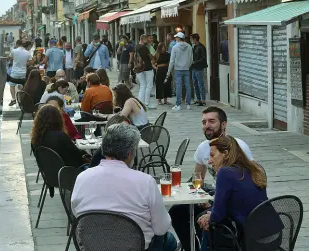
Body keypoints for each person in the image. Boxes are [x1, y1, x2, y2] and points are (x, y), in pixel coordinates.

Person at [71, 123, 177, 251]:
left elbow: (77, 213)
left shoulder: (82, 177)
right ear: (130, 154)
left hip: (92, 246)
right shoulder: (145, 182)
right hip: (134, 247)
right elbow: (161, 228)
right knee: (169, 240)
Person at [169, 106, 254, 251]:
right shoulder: (203, 147)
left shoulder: (238, 147)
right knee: (177, 211)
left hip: (236, 205)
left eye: (211, 121)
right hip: (217, 195)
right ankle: (192, 246)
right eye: (204, 122)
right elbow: (197, 179)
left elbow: (247, 188)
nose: (207, 125)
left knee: (203, 219)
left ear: (224, 124)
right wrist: (202, 197)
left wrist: (212, 208)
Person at [197, 135, 272, 250]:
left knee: (207, 223)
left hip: (247, 239)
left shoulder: (225, 172)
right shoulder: (254, 169)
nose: (209, 160)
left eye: (212, 155)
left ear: (226, 154)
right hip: (271, 234)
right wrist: (211, 214)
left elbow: (218, 214)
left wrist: (209, 217)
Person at [166, 32, 193, 111]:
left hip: (178, 69)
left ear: (178, 38)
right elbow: (191, 59)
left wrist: (169, 71)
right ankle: (188, 104)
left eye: (176, 37)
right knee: (188, 86)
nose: (175, 39)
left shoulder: (175, 47)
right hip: (186, 69)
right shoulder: (189, 46)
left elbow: (172, 61)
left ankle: (178, 104)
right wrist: (188, 66)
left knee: (178, 86)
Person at [8, 40, 32, 106]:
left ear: (17, 44)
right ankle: (21, 100)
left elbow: (9, 58)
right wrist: (24, 64)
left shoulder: (13, 51)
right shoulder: (27, 52)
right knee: (21, 86)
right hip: (23, 72)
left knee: (12, 85)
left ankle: (13, 99)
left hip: (14, 72)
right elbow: (30, 62)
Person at [135, 34, 154, 107]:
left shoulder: (136, 47)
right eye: (147, 39)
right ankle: (146, 103)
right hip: (147, 68)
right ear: (143, 39)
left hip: (138, 68)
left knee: (142, 86)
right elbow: (151, 57)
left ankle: (140, 102)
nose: (148, 40)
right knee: (149, 86)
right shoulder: (144, 47)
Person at [190, 33, 208, 106]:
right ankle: (198, 99)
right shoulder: (195, 47)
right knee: (195, 84)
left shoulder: (201, 47)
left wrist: (195, 62)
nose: (191, 40)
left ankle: (203, 100)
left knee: (200, 84)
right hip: (194, 68)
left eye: (192, 39)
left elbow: (203, 58)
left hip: (199, 67)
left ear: (195, 39)